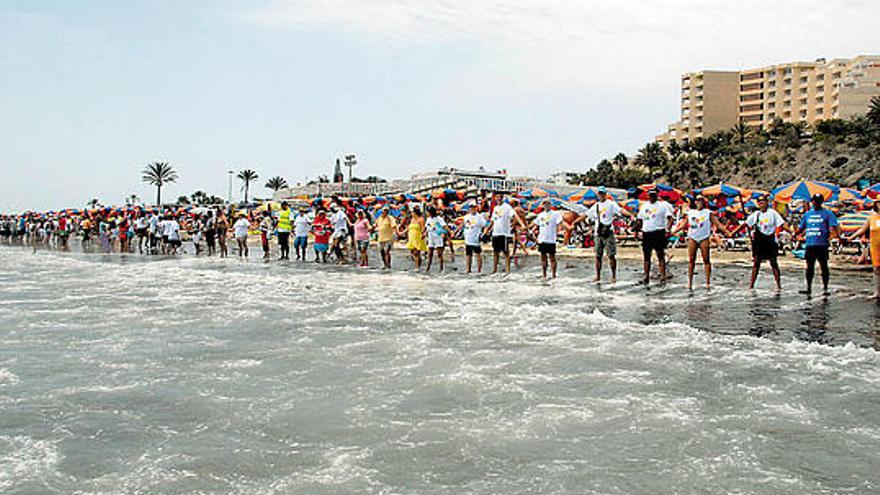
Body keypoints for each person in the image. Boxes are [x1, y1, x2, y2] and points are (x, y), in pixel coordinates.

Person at [670, 196, 730, 290]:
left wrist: (727, 233)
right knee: (691, 260)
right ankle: (689, 282)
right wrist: (672, 233)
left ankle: (707, 282)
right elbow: (683, 225)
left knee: (706, 259)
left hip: (704, 237)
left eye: (701, 201)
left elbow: (717, 224)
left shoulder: (708, 213)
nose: (699, 202)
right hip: (692, 237)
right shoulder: (690, 212)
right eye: (697, 201)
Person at [585, 186, 633, 283]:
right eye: (600, 193)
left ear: (605, 194)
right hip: (598, 233)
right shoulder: (596, 205)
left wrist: (630, 215)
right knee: (598, 256)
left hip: (608, 232)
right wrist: (575, 222)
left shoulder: (611, 204)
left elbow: (620, 210)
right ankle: (598, 276)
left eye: (603, 193)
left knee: (611, 255)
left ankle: (613, 276)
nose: (601, 195)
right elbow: (586, 215)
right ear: (598, 194)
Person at [796, 194, 840, 296]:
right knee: (809, 267)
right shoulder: (807, 214)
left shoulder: (828, 213)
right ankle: (808, 287)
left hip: (822, 244)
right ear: (812, 201)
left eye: (818, 201)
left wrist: (838, 236)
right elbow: (801, 228)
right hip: (810, 244)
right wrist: (794, 233)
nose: (816, 203)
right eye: (814, 201)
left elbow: (835, 226)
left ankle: (825, 288)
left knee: (824, 267)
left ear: (821, 202)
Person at [746, 195, 787, 291]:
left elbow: (782, 224)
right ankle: (751, 285)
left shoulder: (772, 213)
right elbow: (746, 223)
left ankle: (778, 285)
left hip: (770, 240)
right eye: (759, 201)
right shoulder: (756, 214)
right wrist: (731, 233)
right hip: (759, 241)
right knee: (756, 263)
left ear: (767, 202)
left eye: (763, 201)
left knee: (773, 263)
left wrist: (792, 232)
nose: (761, 203)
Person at [635, 188, 675, 286]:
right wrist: (637, 230)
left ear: (657, 195)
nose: (652, 197)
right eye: (650, 195)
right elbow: (639, 219)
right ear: (648, 196)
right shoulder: (644, 206)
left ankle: (662, 275)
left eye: (654, 195)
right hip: (647, 232)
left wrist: (667, 230)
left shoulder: (662, 206)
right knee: (646, 256)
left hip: (659, 232)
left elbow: (670, 218)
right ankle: (646, 276)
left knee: (660, 255)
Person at [485, 194, 528, 274]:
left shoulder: (507, 207)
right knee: (495, 252)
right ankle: (494, 270)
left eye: (501, 197)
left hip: (504, 233)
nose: (499, 198)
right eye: (498, 197)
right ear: (495, 198)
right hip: (495, 233)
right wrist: (487, 229)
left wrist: (522, 224)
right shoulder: (495, 208)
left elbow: (515, 215)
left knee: (506, 252)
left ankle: (508, 271)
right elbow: (493, 220)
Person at [846, 200, 880, 299]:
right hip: (875, 247)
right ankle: (878, 292)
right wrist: (851, 237)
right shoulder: (872, 218)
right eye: (878, 203)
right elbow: (862, 229)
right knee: (877, 269)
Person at [530, 199, 569, 279]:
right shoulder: (540, 215)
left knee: (552, 258)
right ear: (543, 205)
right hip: (542, 239)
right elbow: (534, 223)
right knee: (543, 258)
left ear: (550, 205)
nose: (546, 205)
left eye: (548, 204)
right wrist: (524, 227)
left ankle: (554, 275)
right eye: (545, 204)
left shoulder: (555, 214)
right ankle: (544, 275)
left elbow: (561, 223)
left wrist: (568, 227)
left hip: (551, 239)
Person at [456, 203, 488, 274]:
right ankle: (468, 269)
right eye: (471, 207)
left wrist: (484, 234)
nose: (472, 209)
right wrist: (455, 232)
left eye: (473, 207)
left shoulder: (479, 217)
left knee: (478, 254)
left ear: (476, 208)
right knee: (468, 254)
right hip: (468, 238)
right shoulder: (466, 217)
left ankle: (479, 270)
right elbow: (462, 224)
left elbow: (485, 225)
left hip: (476, 238)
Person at [425, 206, 447, 272]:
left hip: (438, 237)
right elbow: (427, 227)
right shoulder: (428, 219)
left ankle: (441, 268)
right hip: (431, 237)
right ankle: (428, 268)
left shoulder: (439, 219)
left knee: (439, 254)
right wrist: (424, 234)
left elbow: (444, 226)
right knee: (430, 253)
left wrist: (444, 233)